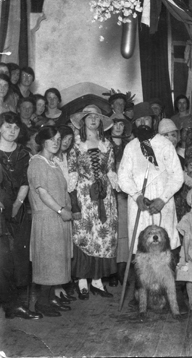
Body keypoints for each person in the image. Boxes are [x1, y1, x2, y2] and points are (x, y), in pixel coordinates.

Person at [117, 102, 184, 278]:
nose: (143, 123)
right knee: (141, 249)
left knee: (166, 248)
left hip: (163, 203)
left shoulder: (165, 144)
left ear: (153, 120)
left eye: (146, 118)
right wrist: (137, 196)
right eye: (139, 120)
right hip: (139, 205)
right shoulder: (130, 147)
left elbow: (177, 176)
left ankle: (171, 294)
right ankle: (141, 293)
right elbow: (123, 177)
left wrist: (162, 199)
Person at [68, 105, 118, 299]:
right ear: (83, 121)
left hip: (104, 194)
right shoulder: (76, 144)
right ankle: (82, 281)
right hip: (84, 193)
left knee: (102, 235)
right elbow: (72, 170)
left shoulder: (108, 144)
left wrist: (114, 186)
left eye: (97, 117)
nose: (93, 119)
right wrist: (74, 197)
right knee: (85, 234)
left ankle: (97, 280)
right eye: (89, 117)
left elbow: (111, 169)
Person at [28, 126, 73, 317]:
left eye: (58, 138)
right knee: (47, 262)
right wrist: (61, 210)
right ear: (42, 141)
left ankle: (49, 300)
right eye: (52, 139)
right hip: (47, 218)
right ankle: (42, 304)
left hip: (59, 219)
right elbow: (42, 192)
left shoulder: (53, 163)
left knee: (56, 262)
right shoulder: (37, 163)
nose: (56, 142)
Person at [0, 112, 32, 305]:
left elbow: (26, 181)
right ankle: (10, 304)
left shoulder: (23, 153)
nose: (12, 131)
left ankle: (17, 304)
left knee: (19, 255)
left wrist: (18, 204)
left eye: (16, 127)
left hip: (17, 207)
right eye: (7, 126)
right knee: (2, 257)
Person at [107, 115, 132, 287]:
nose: (118, 127)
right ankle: (109, 270)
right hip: (107, 194)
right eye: (115, 124)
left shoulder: (128, 147)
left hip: (123, 195)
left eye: (121, 124)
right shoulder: (104, 145)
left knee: (123, 234)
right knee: (109, 233)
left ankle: (121, 271)